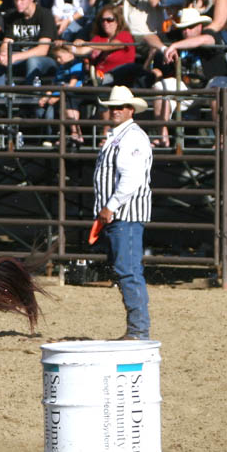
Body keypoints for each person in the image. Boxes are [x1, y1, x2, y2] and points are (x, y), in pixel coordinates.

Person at [93, 85, 152, 341]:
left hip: (124, 212)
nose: (115, 111)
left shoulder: (131, 137)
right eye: (112, 107)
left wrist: (110, 206)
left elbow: (131, 177)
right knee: (126, 268)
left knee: (127, 269)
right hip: (121, 212)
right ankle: (137, 328)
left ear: (130, 110)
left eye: (120, 107)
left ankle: (138, 330)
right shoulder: (121, 135)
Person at [149, 7, 227, 147]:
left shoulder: (211, 33)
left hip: (213, 83)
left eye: (190, 27)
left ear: (200, 26)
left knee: (219, 88)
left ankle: (222, 139)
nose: (187, 31)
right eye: (184, 28)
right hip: (188, 89)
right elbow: (149, 37)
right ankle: (162, 136)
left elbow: (204, 40)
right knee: (160, 87)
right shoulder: (177, 35)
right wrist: (164, 48)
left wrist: (175, 46)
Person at [0, 0, 57, 85]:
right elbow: (7, 42)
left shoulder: (45, 15)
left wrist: (15, 57)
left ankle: (30, 97)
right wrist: (3, 54)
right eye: (16, 0)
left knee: (32, 61)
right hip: (19, 57)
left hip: (44, 59)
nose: (18, 3)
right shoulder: (13, 16)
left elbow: (43, 50)